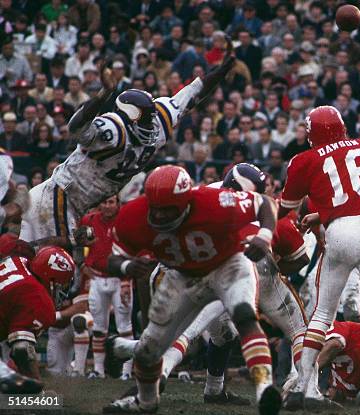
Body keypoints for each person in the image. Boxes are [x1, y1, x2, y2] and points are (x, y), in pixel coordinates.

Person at [103, 165, 281, 414]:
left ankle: (264, 389)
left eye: (169, 209)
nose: (162, 216)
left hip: (226, 265)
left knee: (243, 316)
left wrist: (264, 235)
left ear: (187, 200)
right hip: (182, 276)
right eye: (157, 208)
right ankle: (145, 401)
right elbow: (112, 259)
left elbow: (264, 204)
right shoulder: (134, 215)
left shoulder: (214, 201)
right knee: (148, 350)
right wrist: (127, 266)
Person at [19, 47, 235, 248]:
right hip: (58, 197)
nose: (151, 126)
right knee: (52, 265)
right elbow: (75, 128)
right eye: (144, 122)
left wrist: (221, 71)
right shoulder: (112, 130)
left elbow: (193, 93)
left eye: (151, 119)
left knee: (41, 261)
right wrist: (104, 93)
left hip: (72, 203)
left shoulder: (157, 121)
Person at [280, 106, 360, 410]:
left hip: (341, 231)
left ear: (310, 133)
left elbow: (286, 206)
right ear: (341, 127)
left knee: (322, 314)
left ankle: (302, 386)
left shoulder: (303, 159)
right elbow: (354, 192)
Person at [0, 235, 75, 381]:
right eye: (63, 284)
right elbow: (22, 349)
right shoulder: (38, 299)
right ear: (52, 279)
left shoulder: (18, 259)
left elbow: (7, 240)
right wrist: (35, 383)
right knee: (17, 383)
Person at [77, 195, 134, 380]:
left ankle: (126, 372)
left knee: (124, 325)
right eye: (104, 201)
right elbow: (77, 242)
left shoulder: (125, 220)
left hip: (120, 279)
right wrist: (81, 263)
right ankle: (98, 370)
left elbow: (133, 248)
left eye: (111, 202)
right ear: (99, 203)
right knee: (99, 326)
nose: (107, 206)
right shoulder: (89, 220)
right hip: (97, 278)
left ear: (118, 203)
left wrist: (127, 279)